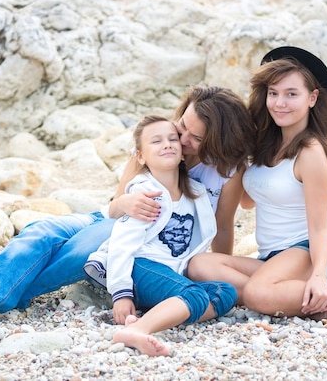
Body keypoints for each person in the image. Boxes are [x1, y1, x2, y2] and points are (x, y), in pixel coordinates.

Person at [0, 86, 255, 329]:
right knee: (41, 231)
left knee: (74, 255)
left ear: (217, 142)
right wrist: (125, 203)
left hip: (146, 245)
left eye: (194, 137)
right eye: (182, 124)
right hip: (114, 219)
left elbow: (222, 225)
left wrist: (203, 267)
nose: (180, 138)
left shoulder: (227, 170)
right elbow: (116, 205)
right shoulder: (159, 139)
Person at [187, 46, 327, 334]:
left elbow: (319, 227)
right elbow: (251, 202)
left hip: (307, 251)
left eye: (292, 94)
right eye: (273, 93)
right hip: (272, 259)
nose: (280, 103)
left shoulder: (311, 152)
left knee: (256, 294)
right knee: (200, 266)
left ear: (312, 98)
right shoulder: (266, 145)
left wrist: (317, 276)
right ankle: (300, 301)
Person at [83, 115, 237, 356]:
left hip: (169, 273)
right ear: (141, 156)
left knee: (225, 291)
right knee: (194, 294)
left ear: (183, 150)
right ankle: (139, 330)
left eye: (172, 139)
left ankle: (162, 311)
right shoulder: (144, 193)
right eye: (156, 141)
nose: (166, 144)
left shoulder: (195, 193)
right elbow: (123, 244)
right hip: (140, 267)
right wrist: (121, 294)